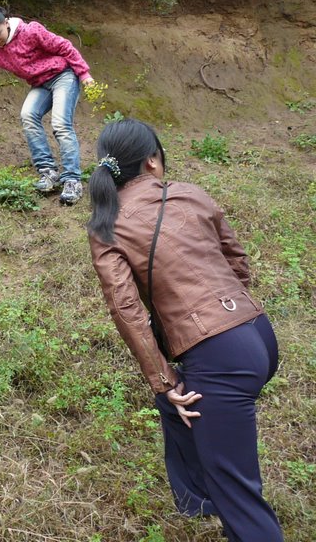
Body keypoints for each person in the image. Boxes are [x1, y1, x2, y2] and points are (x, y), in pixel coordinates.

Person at [87, 118, 282, 542]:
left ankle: (221, 496)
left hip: (219, 358)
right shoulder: (191, 194)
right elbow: (238, 263)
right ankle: (197, 498)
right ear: (153, 161)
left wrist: (162, 378)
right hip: (259, 336)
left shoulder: (106, 225)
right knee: (177, 408)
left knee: (241, 496)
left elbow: (126, 309)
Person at [0, 6, 95, 205]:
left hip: (63, 76)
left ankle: (72, 180)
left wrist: (84, 73)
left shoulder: (31, 31)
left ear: (6, 22)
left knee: (60, 125)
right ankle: (48, 172)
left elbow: (64, 46)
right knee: (28, 115)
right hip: (40, 84)